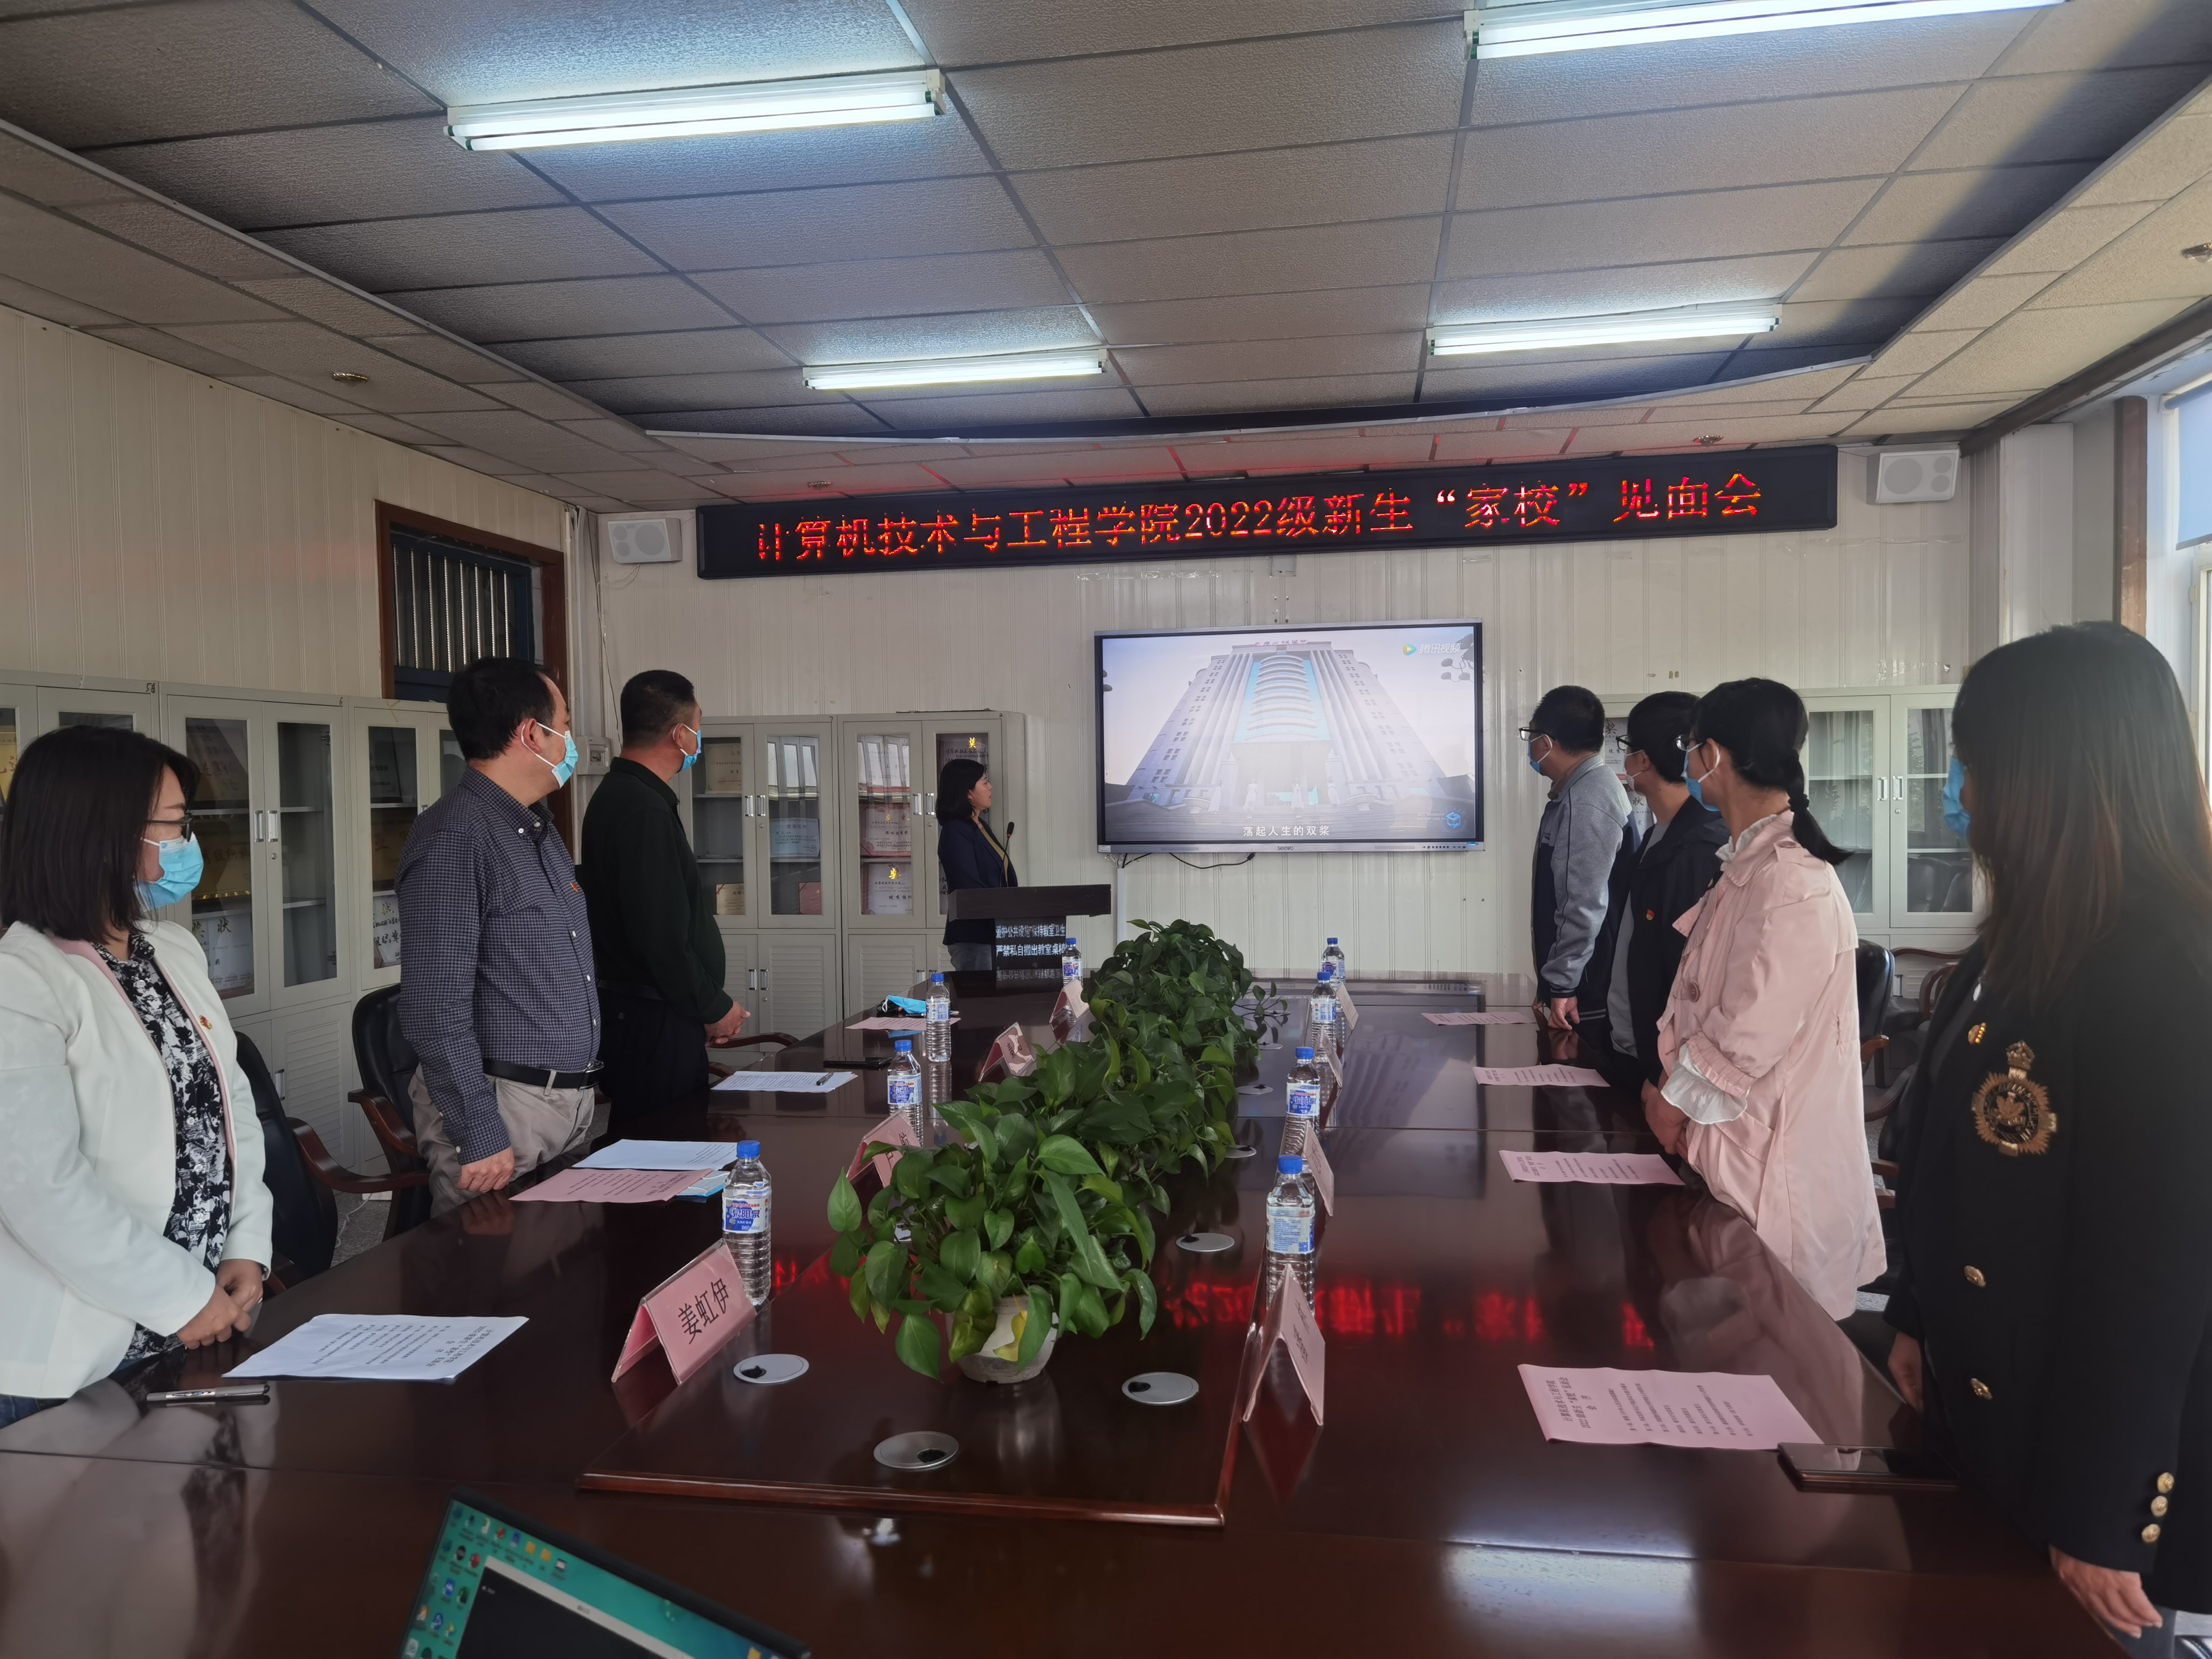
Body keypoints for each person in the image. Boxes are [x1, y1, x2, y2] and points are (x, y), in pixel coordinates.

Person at [1884, 624, 2212, 1653]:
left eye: (1975, 765)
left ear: (2051, 773)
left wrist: (2107, 1512)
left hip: (2081, 1451)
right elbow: (1943, 1163)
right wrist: (1913, 1315)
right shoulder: (2027, 938)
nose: (1964, 794)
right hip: (1989, 1398)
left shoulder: (2161, 968)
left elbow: (2156, 1271)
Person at [0, 726, 271, 1426]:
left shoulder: (172, 950)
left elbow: (229, 1108)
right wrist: (181, 1298)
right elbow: (39, 1188)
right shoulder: (21, 980)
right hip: (78, 1356)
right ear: (104, 833)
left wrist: (246, 1246)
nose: (188, 843)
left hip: (199, 1324)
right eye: (175, 825)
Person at [1644, 677, 1882, 1320]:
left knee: (1769, 1354)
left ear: (1713, 756)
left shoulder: (1792, 881)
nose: (1688, 763)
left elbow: (1745, 1039)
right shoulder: (1747, 866)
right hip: (1726, 1153)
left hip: (1772, 1173)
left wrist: (1670, 1104)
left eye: (1690, 748)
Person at [397, 657, 602, 1216]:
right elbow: (434, 1006)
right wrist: (478, 1130)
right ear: (532, 734)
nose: (571, 741)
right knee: (493, 1264)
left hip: (565, 1103)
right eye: (565, 724)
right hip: (504, 1109)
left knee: (565, 1259)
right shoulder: (455, 837)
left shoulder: (536, 829)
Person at [580, 670, 749, 1128]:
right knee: (664, 1144)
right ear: (680, 734)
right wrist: (713, 1007)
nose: (699, 739)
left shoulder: (628, 796)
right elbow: (660, 938)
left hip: (654, 1011)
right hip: (652, 1018)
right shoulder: (642, 808)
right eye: (698, 726)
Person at [1594, 692, 1728, 1096]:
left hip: (1665, 1074)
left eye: (1627, 747)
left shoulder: (1700, 849)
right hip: (1632, 1050)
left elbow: (1692, 981)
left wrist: (1668, 1076)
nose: (1625, 758)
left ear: (1642, 761)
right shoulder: (1658, 835)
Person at [1525, 685, 1636, 1042]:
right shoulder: (1584, 789)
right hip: (1583, 980)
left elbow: (1583, 904)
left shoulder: (1587, 801)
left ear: (1546, 742)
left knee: (1578, 1071)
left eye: (1530, 735)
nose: (1529, 745)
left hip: (1587, 987)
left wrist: (1563, 983)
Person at [937, 756, 1015, 973]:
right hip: (974, 936)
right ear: (968, 793)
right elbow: (969, 887)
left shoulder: (980, 826)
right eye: (985, 782)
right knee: (980, 995)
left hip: (993, 931)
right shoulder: (956, 831)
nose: (990, 787)